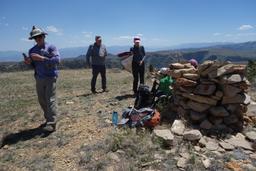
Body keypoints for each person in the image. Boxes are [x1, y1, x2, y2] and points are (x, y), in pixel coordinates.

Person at [24, 26, 60, 132]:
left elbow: (57, 60)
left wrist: (42, 58)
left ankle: (52, 123)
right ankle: (48, 118)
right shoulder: (32, 50)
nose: (38, 39)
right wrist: (28, 62)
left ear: (43, 36)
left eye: (39, 36)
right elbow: (33, 65)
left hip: (50, 77)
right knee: (42, 100)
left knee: (50, 99)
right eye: (35, 38)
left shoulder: (51, 47)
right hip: (39, 78)